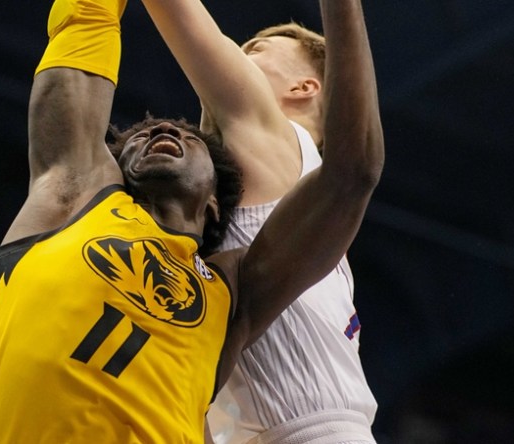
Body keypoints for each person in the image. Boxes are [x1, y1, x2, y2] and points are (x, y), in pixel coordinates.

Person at [0, 0, 383, 441]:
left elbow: (352, 172)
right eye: (141, 136)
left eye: (253, 50)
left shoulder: (238, 279)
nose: (164, 131)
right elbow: (83, 25)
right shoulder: (78, 201)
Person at [138, 0, 380, 442]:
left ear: (304, 87)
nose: (236, 57)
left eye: (253, 50)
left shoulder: (276, 137)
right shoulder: (297, 203)